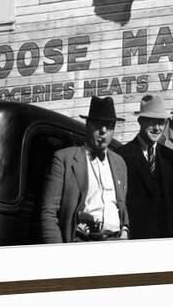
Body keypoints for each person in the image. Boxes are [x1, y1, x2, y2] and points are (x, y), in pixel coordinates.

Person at [40, 96, 130, 243]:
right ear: (88, 125)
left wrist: (125, 230)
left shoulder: (119, 163)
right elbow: (49, 213)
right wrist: (56, 252)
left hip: (116, 243)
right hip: (82, 242)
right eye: (98, 124)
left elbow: (122, 205)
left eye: (109, 125)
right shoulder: (64, 159)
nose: (103, 131)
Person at [115, 94, 173, 239]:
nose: (157, 128)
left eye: (161, 122)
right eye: (152, 122)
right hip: (136, 239)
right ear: (140, 121)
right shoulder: (122, 155)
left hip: (166, 239)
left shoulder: (169, 156)